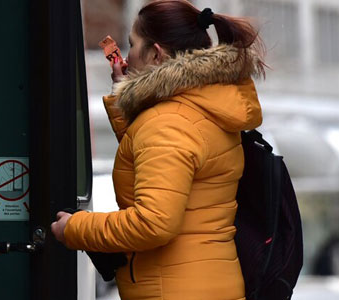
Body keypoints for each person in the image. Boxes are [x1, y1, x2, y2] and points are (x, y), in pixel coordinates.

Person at [51, 1, 267, 299]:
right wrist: (124, 98)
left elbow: (153, 223)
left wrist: (75, 228)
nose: (126, 56)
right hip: (204, 283)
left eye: (132, 45)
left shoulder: (168, 122)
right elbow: (153, 156)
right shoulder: (198, 107)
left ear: (155, 54)